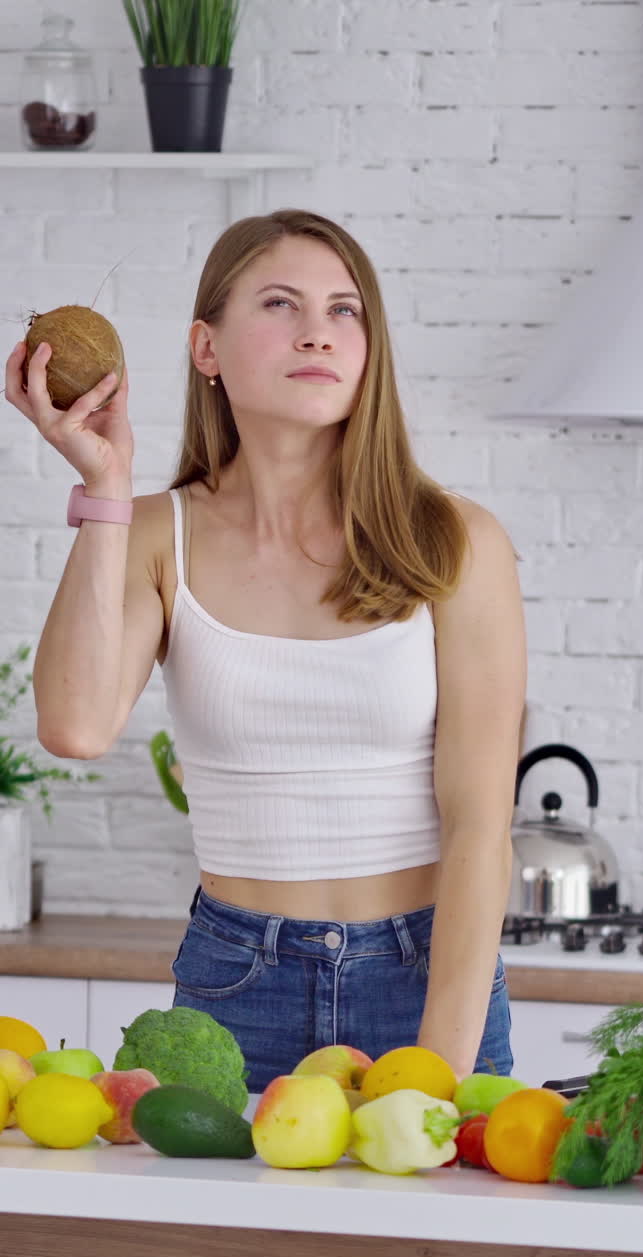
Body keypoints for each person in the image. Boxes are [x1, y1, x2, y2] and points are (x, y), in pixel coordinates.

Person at [5, 209, 526, 1093]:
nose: (319, 330)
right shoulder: (151, 532)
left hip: (427, 980)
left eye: (345, 310)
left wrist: (435, 1069)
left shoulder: (456, 540)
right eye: (281, 303)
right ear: (206, 348)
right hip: (235, 980)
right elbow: (76, 725)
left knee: (425, 1238)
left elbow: (481, 824)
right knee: (215, 1239)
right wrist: (106, 487)